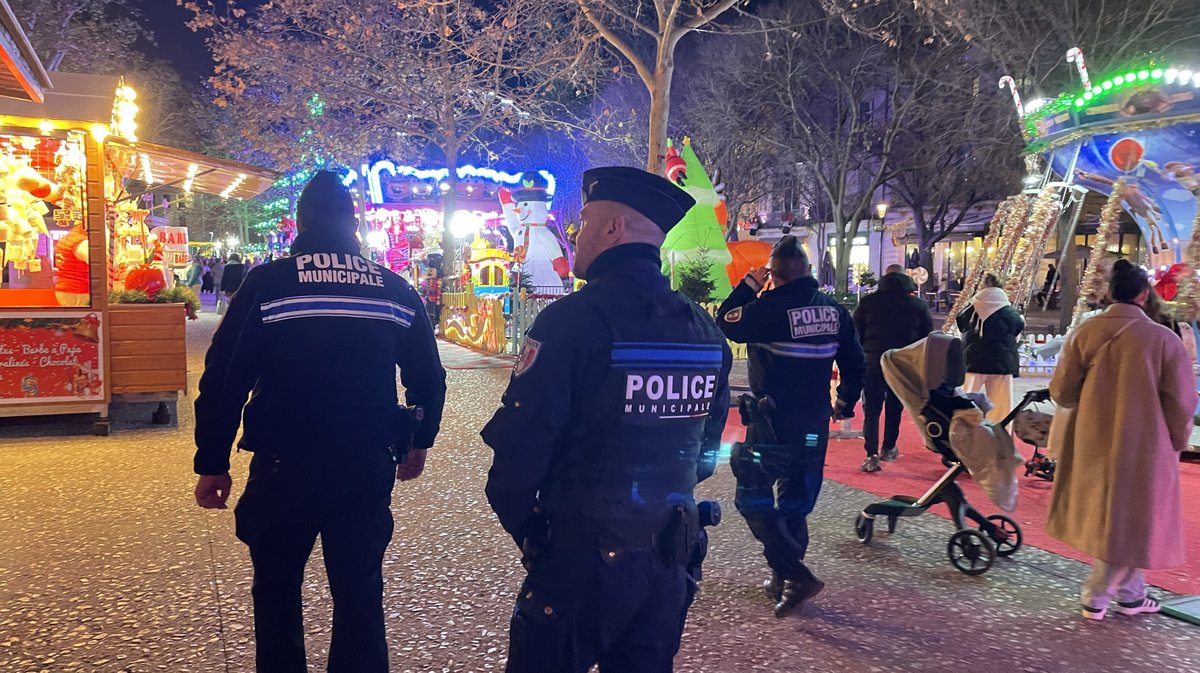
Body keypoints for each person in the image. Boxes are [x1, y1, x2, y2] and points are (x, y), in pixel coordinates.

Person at [192, 170, 447, 672]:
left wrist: (213, 460)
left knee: (276, 587)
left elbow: (225, 376)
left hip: (285, 466)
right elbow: (428, 375)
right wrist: (419, 440)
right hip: (365, 464)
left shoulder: (268, 284)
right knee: (359, 592)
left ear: (298, 224)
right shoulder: (394, 289)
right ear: (354, 224)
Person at [482, 166, 731, 673]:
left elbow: (520, 451)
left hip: (581, 563)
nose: (575, 235)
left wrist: (532, 531)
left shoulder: (573, 320)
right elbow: (706, 451)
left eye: (584, 223)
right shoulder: (703, 329)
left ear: (614, 229)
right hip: (667, 565)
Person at [716, 235, 864, 616]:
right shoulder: (833, 311)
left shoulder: (768, 310)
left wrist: (750, 283)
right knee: (796, 500)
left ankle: (793, 573)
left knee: (751, 496)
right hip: (814, 421)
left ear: (773, 276)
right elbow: (854, 359)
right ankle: (784, 579)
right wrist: (845, 398)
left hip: (773, 422)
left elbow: (726, 320)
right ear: (810, 271)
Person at [1048, 259, 1197, 621]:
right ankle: (1097, 594)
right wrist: (1178, 441)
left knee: (1121, 517)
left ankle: (1132, 594)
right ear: (1144, 295)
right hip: (1147, 442)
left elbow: (1063, 393)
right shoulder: (1163, 339)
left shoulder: (1085, 333)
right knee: (1133, 516)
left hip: (1092, 437)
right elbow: (1181, 401)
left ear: (1109, 293)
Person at [852, 263, 933, 472]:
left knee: (871, 408)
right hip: (901, 362)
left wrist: (861, 356)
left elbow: (855, 334)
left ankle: (871, 454)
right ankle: (888, 448)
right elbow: (927, 337)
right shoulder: (917, 305)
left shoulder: (869, 302)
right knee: (895, 407)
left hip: (873, 360)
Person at [955, 273, 1024, 422]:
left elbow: (961, 324)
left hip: (973, 360)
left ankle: (961, 427)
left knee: (965, 398)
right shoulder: (1010, 312)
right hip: (1002, 363)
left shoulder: (971, 308)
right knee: (1001, 405)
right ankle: (999, 433)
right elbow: (1017, 330)